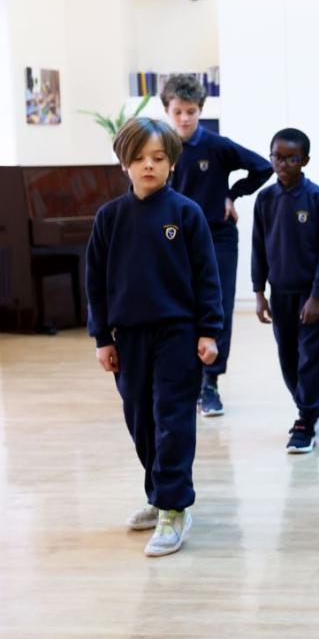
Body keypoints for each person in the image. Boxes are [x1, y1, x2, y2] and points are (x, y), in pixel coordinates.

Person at [85, 117, 223, 556]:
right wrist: (102, 338)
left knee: (172, 419)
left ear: (171, 163)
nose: (149, 165)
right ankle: (157, 493)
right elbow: (95, 283)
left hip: (177, 334)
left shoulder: (186, 214)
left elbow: (207, 276)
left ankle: (174, 506)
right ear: (124, 163)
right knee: (140, 419)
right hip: (128, 337)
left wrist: (209, 330)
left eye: (158, 158)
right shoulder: (109, 218)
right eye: (139, 158)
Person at [161, 74, 273, 416]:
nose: (184, 118)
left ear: (200, 110)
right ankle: (187, 380)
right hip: (175, 241)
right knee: (180, 307)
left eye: (191, 111)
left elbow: (262, 167)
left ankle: (211, 383)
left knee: (217, 307)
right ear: (167, 110)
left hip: (217, 238)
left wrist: (232, 194)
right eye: (178, 111)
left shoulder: (216, 146)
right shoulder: (159, 148)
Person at [250, 127, 319, 454]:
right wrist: (258, 292)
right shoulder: (265, 199)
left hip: (312, 296)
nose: (283, 164)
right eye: (277, 157)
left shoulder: (317, 199)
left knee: (311, 358)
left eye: (292, 159)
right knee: (288, 358)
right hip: (280, 294)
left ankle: (305, 421)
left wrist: (317, 294)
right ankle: (310, 409)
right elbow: (258, 246)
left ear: (305, 161)